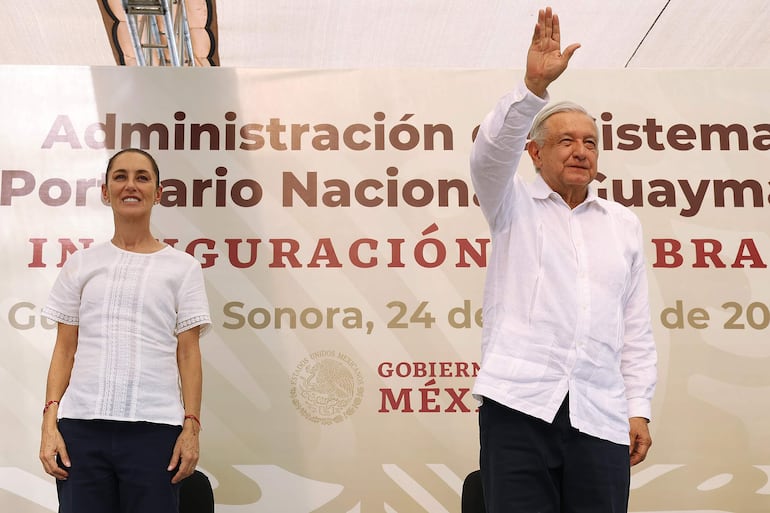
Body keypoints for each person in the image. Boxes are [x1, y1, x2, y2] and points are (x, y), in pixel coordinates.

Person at [470, 7, 657, 513]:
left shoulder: (623, 225)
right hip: (520, 405)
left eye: (591, 142)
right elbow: (487, 156)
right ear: (534, 154)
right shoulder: (510, 203)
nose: (581, 151)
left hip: (601, 414)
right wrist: (532, 88)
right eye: (566, 141)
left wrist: (638, 408)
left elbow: (635, 328)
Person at [38, 148, 211, 513]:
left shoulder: (183, 268)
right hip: (81, 431)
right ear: (105, 191)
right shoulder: (81, 264)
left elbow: (188, 353)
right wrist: (49, 424)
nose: (130, 185)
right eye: (120, 177)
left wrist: (191, 428)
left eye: (142, 177)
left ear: (158, 193)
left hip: (155, 431)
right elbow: (65, 350)